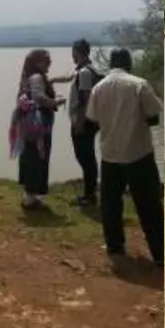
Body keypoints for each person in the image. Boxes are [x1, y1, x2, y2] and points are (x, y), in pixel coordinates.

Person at [84, 47, 165, 262]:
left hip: (110, 155)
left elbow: (92, 120)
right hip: (138, 154)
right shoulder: (139, 84)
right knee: (149, 207)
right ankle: (160, 253)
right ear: (129, 63)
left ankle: (115, 248)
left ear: (111, 64)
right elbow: (153, 118)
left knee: (110, 205)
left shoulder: (98, 88)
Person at [13, 49, 63, 209]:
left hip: (32, 127)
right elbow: (39, 98)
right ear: (36, 62)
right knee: (37, 158)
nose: (48, 63)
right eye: (45, 60)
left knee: (32, 157)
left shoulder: (31, 77)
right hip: (38, 128)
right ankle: (30, 198)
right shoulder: (36, 78)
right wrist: (57, 101)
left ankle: (31, 196)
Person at [67, 39, 104, 207]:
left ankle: (90, 196)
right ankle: (90, 193)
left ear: (77, 52)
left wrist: (80, 122)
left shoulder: (84, 73)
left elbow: (85, 99)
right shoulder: (89, 69)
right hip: (92, 120)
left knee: (85, 157)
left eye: (73, 51)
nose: (72, 55)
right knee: (86, 157)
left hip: (85, 121)